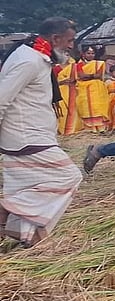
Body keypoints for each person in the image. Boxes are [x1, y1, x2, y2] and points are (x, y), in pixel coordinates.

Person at [0, 18, 83, 247]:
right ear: (55, 39)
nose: (70, 46)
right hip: (26, 136)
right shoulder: (29, 61)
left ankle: (27, 237)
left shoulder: (35, 57)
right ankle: (6, 208)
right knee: (69, 176)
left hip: (28, 135)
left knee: (29, 186)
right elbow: (2, 99)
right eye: (69, 41)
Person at [74, 45, 111, 132]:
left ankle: (101, 128)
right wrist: (92, 76)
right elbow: (81, 76)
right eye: (88, 53)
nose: (91, 55)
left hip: (97, 89)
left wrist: (88, 76)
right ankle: (89, 128)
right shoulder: (79, 64)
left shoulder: (99, 64)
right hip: (83, 89)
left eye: (92, 53)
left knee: (98, 106)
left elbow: (99, 75)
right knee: (86, 107)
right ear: (83, 54)